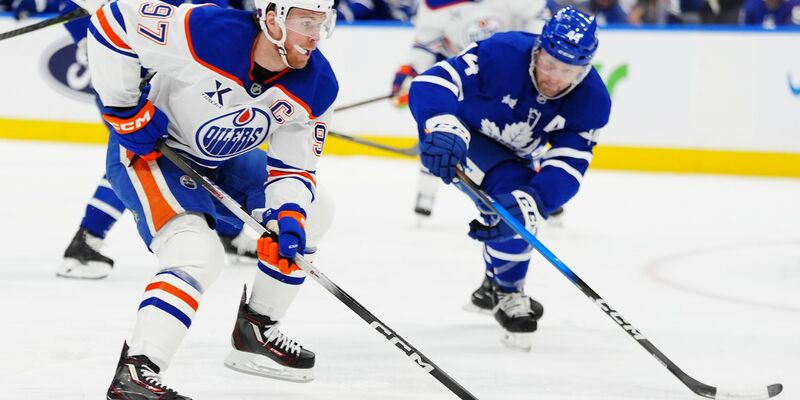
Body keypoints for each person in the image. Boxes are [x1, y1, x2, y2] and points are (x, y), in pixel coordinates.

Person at [85, 0, 338, 396]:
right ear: (272, 18)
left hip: (224, 159)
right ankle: (137, 370)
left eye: (323, 23)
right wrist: (122, 108)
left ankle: (256, 329)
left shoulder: (318, 84)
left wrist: (287, 215)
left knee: (314, 212)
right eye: (306, 22)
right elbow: (112, 20)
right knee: (197, 253)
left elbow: (294, 169)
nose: (315, 36)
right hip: (153, 153)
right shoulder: (207, 30)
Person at [407, 6, 610, 350]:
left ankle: (493, 285)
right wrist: (441, 123)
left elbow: (569, 163)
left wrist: (537, 201)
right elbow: (433, 81)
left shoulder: (591, 99)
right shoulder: (501, 52)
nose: (553, 77)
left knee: (518, 206)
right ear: (538, 49)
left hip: (514, 154)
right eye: (549, 64)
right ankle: (507, 291)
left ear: (585, 69)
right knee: (511, 196)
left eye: (567, 71)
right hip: (462, 135)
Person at [9, 0, 259, 279]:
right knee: (139, 158)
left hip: (188, 83)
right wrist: (91, 41)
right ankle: (86, 240)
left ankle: (229, 233)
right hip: (131, 80)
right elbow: (74, 8)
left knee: (204, 153)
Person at [389, 0, 549, 218]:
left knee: (524, 134)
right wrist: (411, 71)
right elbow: (425, 45)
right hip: (463, 81)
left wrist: (535, 55)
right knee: (442, 133)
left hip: (511, 78)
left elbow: (538, 19)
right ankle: (425, 196)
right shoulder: (435, 4)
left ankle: (540, 191)